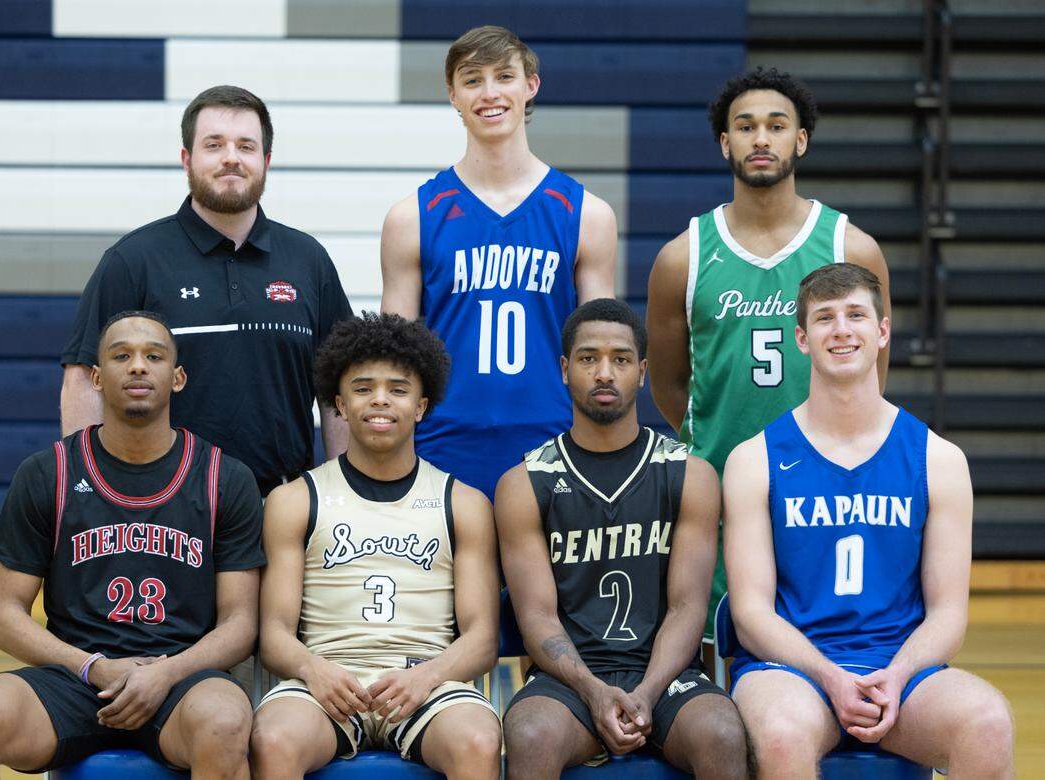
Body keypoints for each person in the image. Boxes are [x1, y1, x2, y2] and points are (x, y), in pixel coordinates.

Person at [0, 311, 265, 777]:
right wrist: (93, 667)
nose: (137, 366)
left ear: (178, 377)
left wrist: (165, 673)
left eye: (153, 356)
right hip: (74, 679)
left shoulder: (225, 478)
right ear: (95, 376)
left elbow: (240, 623)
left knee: (226, 722)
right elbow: (4, 616)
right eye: (121, 355)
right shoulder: (48, 473)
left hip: (181, 681)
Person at [723, 264, 1014, 778]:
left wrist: (898, 674)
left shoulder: (939, 460)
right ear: (801, 339)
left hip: (902, 669)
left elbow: (948, 613)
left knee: (987, 722)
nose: (841, 329)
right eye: (824, 318)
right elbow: (750, 613)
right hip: (790, 671)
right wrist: (830, 677)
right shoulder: (755, 460)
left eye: (856, 315)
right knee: (782, 737)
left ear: (882, 332)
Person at [646, 67, 892, 639]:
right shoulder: (682, 258)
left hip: (829, 488)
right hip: (724, 490)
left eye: (777, 126)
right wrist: (715, 442)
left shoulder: (850, 248)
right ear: (724, 142)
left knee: (829, 645)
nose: (762, 138)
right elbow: (667, 383)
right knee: (715, 655)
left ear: (799, 140)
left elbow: (871, 373)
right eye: (746, 126)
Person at [61, 84, 353, 499]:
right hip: (162, 509)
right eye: (214, 144)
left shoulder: (309, 261)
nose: (231, 157)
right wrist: (85, 492)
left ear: (265, 161)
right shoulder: (134, 260)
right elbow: (84, 380)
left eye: (246, 146)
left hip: (281, 507)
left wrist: (340, 498)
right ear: (187, 159)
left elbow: (337, 391)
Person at [496, 299, 747, 779]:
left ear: (643, 372)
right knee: (530, 734)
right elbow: (536, 616)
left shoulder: (689, 474)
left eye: (621, 359)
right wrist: (593, 690)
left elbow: (687, 609)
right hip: (566, 682)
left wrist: (647, 693)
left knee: (722, 732)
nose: (605, 372)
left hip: (667, 676)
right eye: (589, 359)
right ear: (565, 370)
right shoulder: (525, 482)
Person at [250, 313, 501, 779]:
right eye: (363, 388)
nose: (380, 400)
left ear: (422, 406)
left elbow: (483, 637)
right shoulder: (294, 500)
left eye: (398, 389)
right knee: (274, 739)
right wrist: (313, 669)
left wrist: (427, 676)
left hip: (427, 682)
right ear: (340, 405)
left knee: (479, 741)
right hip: (326, 682)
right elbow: (274, 633)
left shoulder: (463, 503)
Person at [381, 25, 617, 500]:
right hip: (442, 446)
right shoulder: (411, 217)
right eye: (472, 80)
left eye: (503, 77)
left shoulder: (587, 214)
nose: (489, 94)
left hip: (556, 446)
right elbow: (394, 360)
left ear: (530, 85)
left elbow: (604, 355)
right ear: (452, 94)